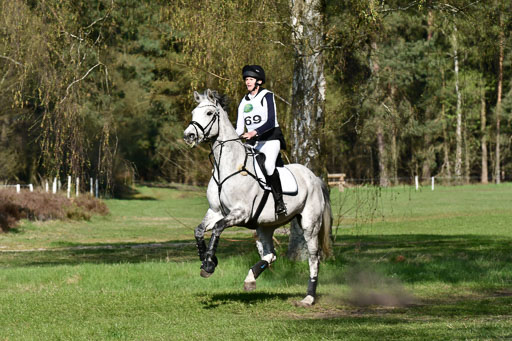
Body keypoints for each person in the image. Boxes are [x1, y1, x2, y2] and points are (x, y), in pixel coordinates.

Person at [236, 65, 287, 215]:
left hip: (271, 140)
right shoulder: (243, 102)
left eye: (250, 79)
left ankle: (280, 203)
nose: (247, 82)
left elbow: (271, 121)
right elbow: (239, 128)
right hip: (254, 143)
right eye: (246, 79)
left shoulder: (267, 95)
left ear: (258, 81)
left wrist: (254, 132)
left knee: (269, 166)